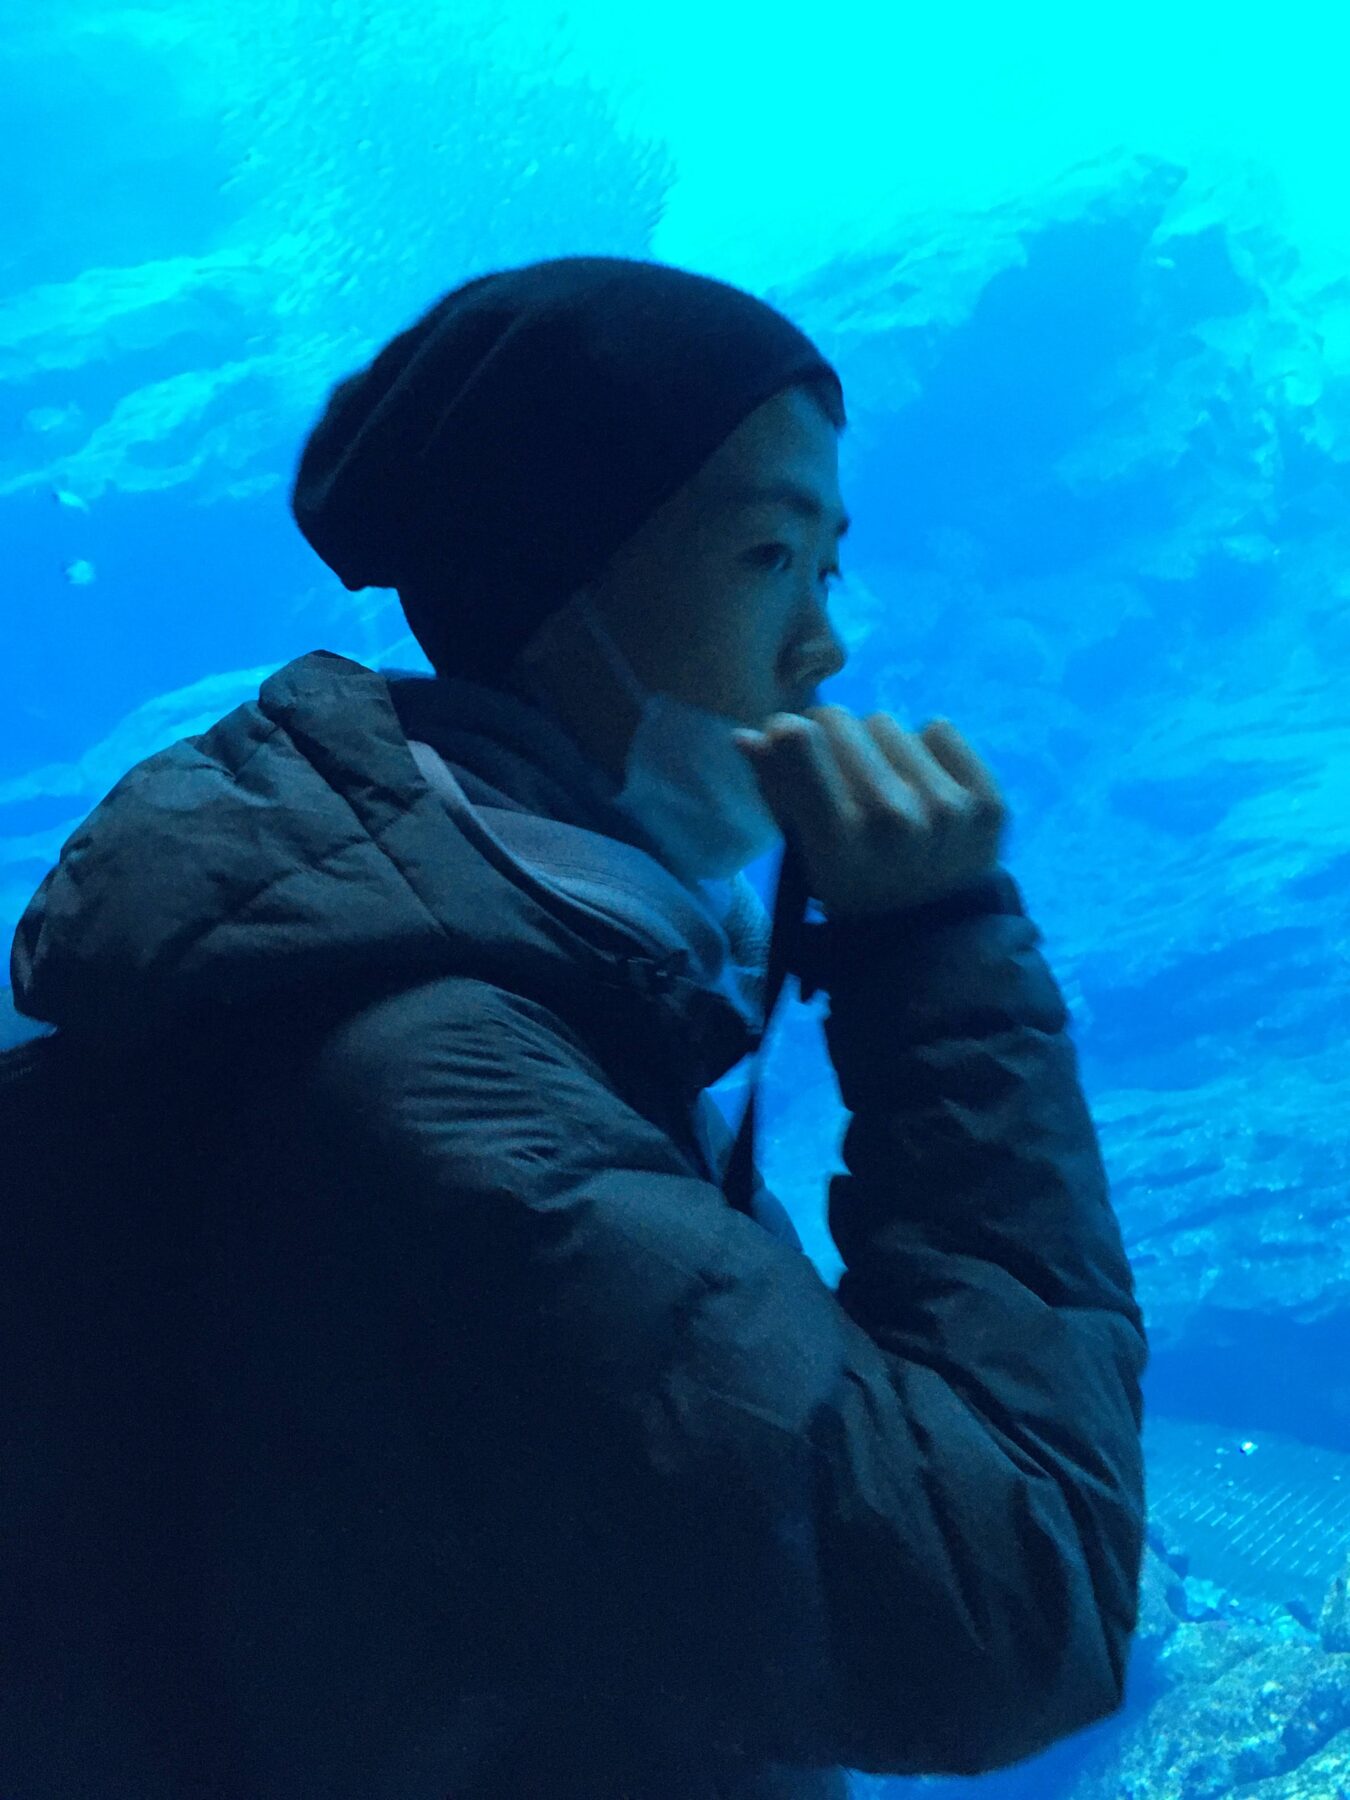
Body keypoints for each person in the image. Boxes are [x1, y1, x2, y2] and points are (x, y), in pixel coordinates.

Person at [6, 256, 1147, 1799]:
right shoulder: (445, 1081)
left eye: (829, 569)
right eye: (767, 556)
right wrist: (938, 960)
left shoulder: (476, 970)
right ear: (561, 581)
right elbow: (995, 1614)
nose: (822, 648)